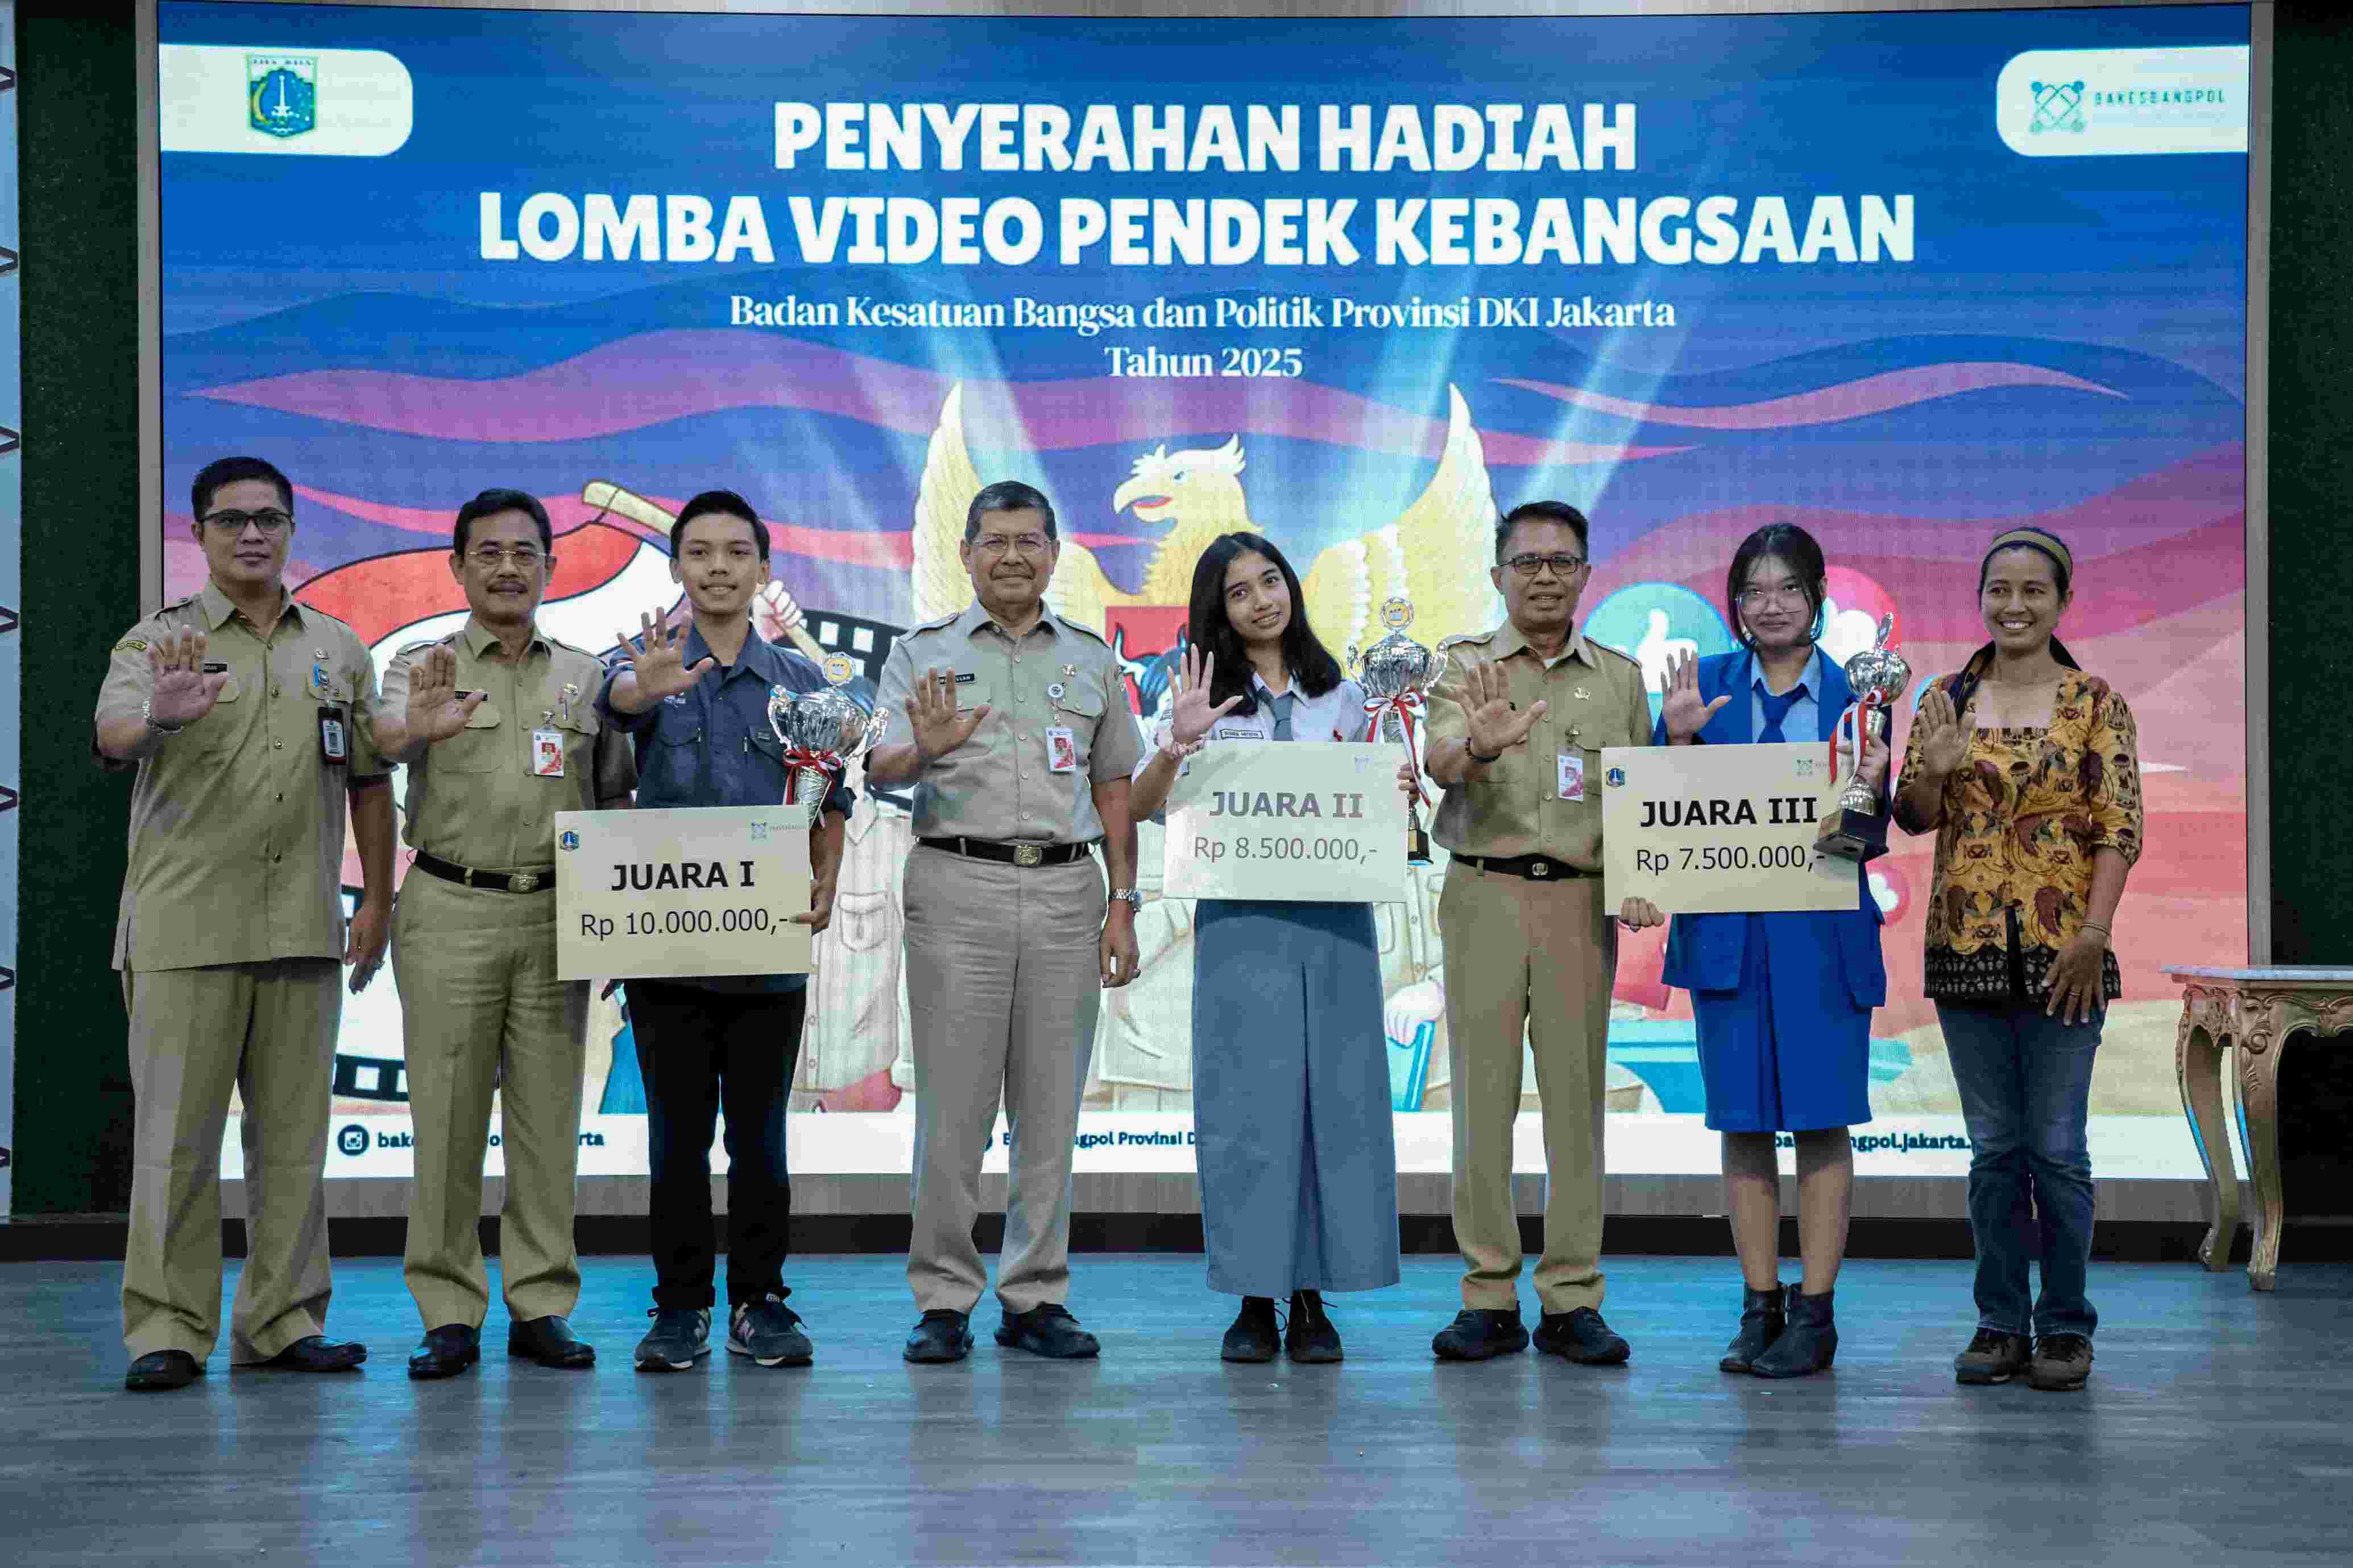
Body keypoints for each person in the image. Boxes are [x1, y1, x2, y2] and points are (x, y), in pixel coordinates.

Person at [93, 455, 395, 1391]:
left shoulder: (338, 647)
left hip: (303, 927)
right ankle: (168, 1329)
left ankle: (283, 1320)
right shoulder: (157, 642)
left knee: (294, 1145)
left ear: (293, 530)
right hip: (184, 930)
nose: (253, 534)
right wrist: (161, 717)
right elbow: (113, 736)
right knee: (176, 1145)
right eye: (231, 520)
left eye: (269, 518)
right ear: (199, 535)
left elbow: (369, 779)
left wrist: (378, 900)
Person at [867, 479, 1144, 1364]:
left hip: (1067, 890)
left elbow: (1113, 789)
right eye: (995, 541)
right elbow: (877, 762)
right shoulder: (923, 653)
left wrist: (1123, 902)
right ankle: (943, 1296)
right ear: (966, 553)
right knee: (952, 1112)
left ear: (1054, 553)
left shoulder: (1092, 660)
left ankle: (1035, 1295)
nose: (1013, 556)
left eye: (1030, 541)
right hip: (957, 883)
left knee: (1049, 1109)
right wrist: (924, 749)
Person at [374, 490, 636, 1379]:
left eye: (525, 552)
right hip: (450, 904)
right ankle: (448, 1310)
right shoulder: (422, 667)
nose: (508, 568)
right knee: (446, 1119)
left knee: (547, 1120)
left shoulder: (586, 676)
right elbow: (382, 740)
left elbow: (612, 796)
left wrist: (619, 919)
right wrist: (416, 728)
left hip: (559, 912)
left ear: (551, 568)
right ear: (457, 566)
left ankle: (541, 1303)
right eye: (487, 552)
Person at [1127, 533, 1399, 1363]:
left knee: (1335, 1107)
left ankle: (1313, 1296)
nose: (1260, 601)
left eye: (1270, 581)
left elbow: (1378, 806)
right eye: (1238, 592)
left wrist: (1396, 789)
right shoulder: (1201, 701)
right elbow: (1141, 805)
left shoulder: (1344, 698)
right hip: (1241, 928)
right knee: (1247, 1108)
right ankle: (1253, 1296)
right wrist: (1175, 744)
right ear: (1219, 611)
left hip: (1335, 925)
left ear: (1292, 587)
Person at [599, 490, 848, 1373]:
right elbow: (615, 710)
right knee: (675, 1136)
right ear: (676, 566)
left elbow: (831, 797)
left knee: (759, 1134)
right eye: (698, 552)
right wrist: (643, 690)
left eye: (736, 552)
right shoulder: (641, 663)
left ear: (763, 568)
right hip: (665, 945)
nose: (717, 567)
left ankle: (759, 1299)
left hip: (766, 942)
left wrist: (827, 871)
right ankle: (679, 1306)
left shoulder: (803, 683)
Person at [1894, 525, 2141, 1395]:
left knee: (2057, 1150)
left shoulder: (2095, 702)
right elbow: (1912, 815)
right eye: (1998, 589)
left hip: (2066, 957)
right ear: (1979, 599)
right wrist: (1933, 770)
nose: (2013, 604)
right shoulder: (1946, 696)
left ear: (2062, 601)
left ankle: (2065, 1326)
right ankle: (1999, 1321)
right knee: (1994, 1150)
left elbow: (2118, 827)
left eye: (2032, 590)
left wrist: (2092, 934)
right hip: (1963, 954)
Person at [1421, 500, 1656, 1365]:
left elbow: (1641, 798)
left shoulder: (1621, 679)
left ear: (1587, 574)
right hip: (1483, 892)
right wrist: (1479, 747)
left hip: (1579, 904)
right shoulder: (1463, 665)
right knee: (1480, 1105)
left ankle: (1571, 1297)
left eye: (1561, 562)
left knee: (1575, 1105)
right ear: (1497, 575)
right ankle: (1487, 1294)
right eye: (1526, 562)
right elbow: (1439, 761)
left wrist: (1644, 881)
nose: (1544, 577)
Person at [1653, 522, 1890, 1379]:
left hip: (1823, 936)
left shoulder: (1858, 696)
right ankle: (1759, 1308)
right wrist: (1678, 739)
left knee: (1823, 1120)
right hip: (1728, 937)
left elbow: (1869, 836)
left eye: (1789, 587)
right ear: (1735, 604)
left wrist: (1869, 785)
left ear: (1818, 597)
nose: (1771, 605)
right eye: (1753, 590)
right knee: (1743, 1124)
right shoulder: (1702, 688)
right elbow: (1657, 822)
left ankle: (1816, 1315)